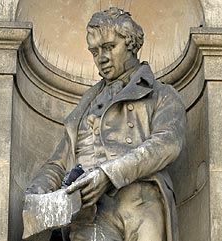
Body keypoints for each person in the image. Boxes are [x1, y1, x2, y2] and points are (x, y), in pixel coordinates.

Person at [26, 7, 186, 241]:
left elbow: (167, 143)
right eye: (95, 51)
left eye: (109, 47)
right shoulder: (85, 106)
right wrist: (36, 195)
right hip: (89, 213)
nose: (101, 57)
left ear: (131, 44)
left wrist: (108, 174)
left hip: (140, 205)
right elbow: (58, 164)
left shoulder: (161, 94)